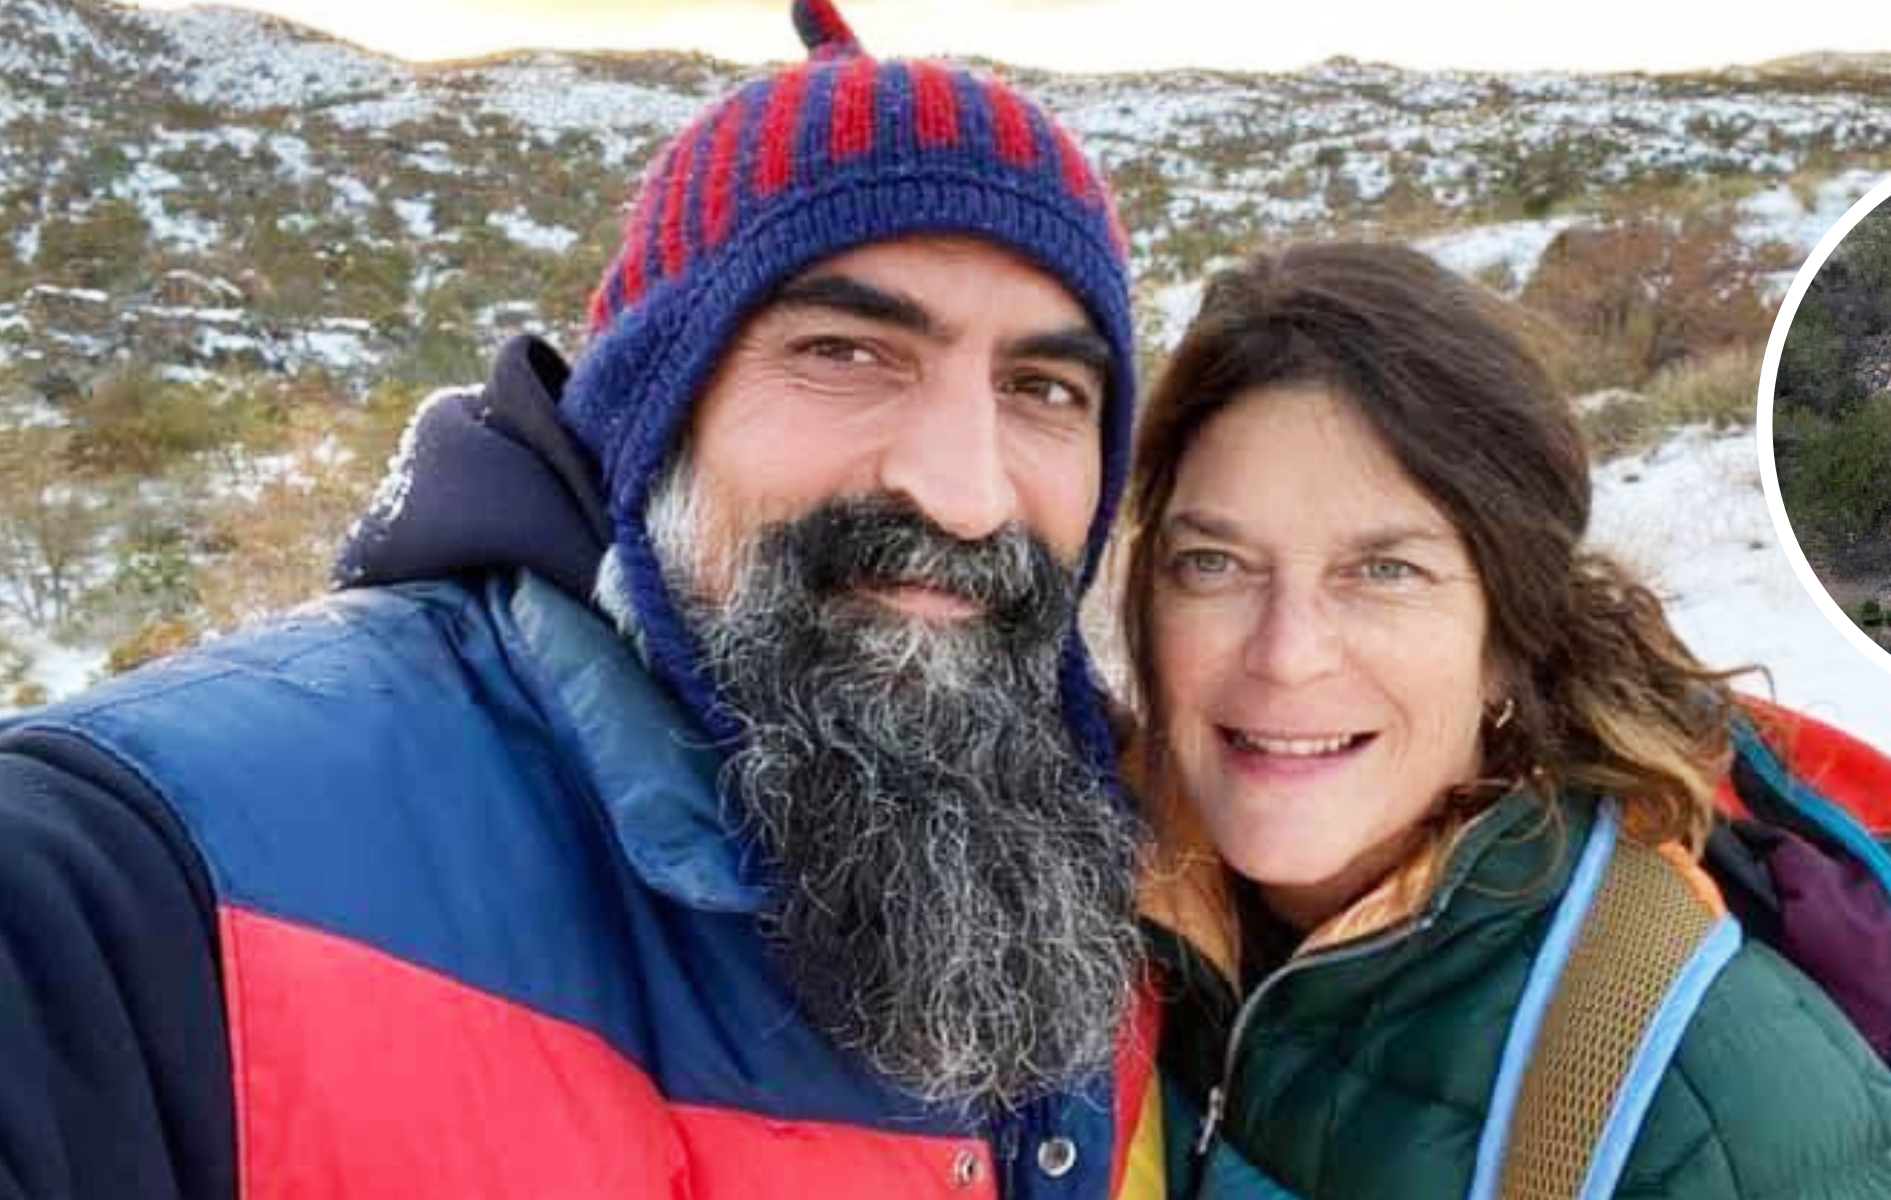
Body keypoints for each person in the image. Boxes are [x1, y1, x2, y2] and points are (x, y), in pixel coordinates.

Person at [0, 3, 1167, 1197]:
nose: (965, 493)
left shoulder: (1096, 865)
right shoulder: (133, 889)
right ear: (650, 414)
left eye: (1044, 388)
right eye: (844, 352)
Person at [1119, 243, 1891, 1199]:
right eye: (1213, 564)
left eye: (1386, 571)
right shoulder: (1096, 924)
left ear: (1506, 633)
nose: (1286, 654)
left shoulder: (1724, 1119)